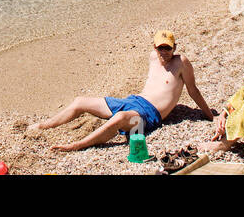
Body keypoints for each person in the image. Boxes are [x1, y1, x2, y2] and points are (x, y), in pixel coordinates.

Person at [28, 31, 214, 151]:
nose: (164, 51)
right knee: (80, 101)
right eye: (160, 47)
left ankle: (77, 145)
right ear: (154, 47)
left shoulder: (181, 63)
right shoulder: (152, 57)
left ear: (175, 47)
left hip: (148, 114)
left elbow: (193, 90)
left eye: (168, 48)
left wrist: (210, 116)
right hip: (132, 101)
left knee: (119, 119)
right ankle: (44, 126)